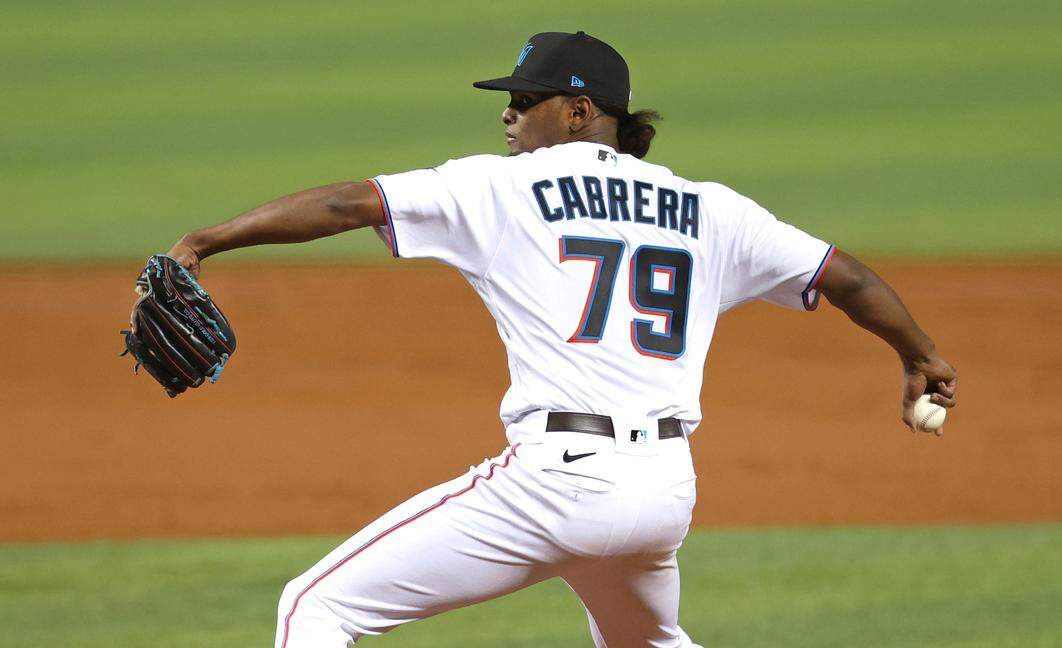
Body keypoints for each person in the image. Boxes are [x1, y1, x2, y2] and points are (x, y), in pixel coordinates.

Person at [166, 31, 957, 648]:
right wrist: (918, 354)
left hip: (559, 485)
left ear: (579, 112)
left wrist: (204, 241)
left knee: (315, 605)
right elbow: (844, 276)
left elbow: (349, 204)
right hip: (663, 491)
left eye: (525, 99)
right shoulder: (710, 208)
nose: (507, 114)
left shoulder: (504, 185)